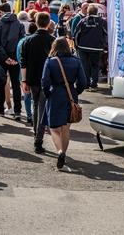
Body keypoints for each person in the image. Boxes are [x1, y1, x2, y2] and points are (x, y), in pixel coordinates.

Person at [41, 37, 87, 169]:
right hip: (71, 94)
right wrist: (75, 92)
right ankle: (64, 152)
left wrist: (48, 93)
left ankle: (60, 152)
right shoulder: (76, 61)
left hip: (55, 94)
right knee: (66, 127)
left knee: (54, 128)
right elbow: (83, 82)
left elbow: (44, 81)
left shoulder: (50, 61)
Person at [20, 12, 56, 154]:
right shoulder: (52, 40)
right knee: (41, 107)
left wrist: (24, 80)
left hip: (32, 78)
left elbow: (23, 63)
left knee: (37, 106)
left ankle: (37, 134)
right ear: (48, 24)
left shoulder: (27, 41)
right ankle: (38, 139)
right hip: (47, 79)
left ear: (35, 22)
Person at [0, 3, 25, 120]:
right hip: (15, 57)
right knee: (15, 84)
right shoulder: (19, 24)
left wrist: (5, 57)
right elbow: (22, 42)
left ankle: (0, 108)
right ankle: (17, 111)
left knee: (1, 82)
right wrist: (15, 58)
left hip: (1, 58)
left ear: (0, 11)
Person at [73, 5, 107, 90]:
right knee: (95, 65)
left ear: (88, 12)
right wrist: (105, 45)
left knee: (85, 66)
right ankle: (94, 84)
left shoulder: (83, 20)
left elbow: (76, 34)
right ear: (96, 12)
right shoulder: (102, 21)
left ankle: (86, 83)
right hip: (97, 48)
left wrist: (76, 45)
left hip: (83, 47)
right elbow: (107, 33)